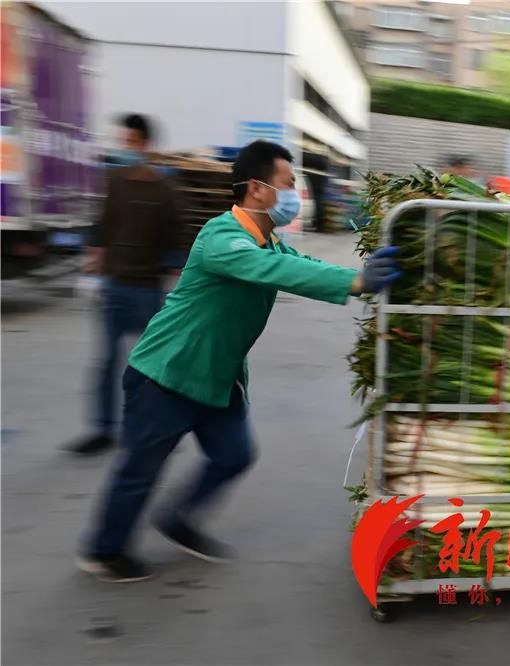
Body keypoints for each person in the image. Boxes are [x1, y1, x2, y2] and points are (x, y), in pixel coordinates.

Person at [77, 140, 401, 582]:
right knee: (141, 469)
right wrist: (357, 280)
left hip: (217, 377)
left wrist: (360, 275)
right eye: (289, 184)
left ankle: (177, 520)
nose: (294, 194)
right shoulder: (222, 238)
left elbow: (301, 267)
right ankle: (103, 551)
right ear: (257, 188)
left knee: (234, 454)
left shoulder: (266, 241)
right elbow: (274, 271)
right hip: (167, 373)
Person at [65, 114, 183, 456]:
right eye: (124, 142)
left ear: (145, 145)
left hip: (147, 291)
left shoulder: (165, 191)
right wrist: (93, 270)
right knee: (105, 361)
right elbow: (101, 229)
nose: (126, 148)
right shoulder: (115, 182)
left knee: (153, 366)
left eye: (131, 142)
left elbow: (175, 241)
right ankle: (102, 430)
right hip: (115, 287)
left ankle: (159, 428)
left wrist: (175, 283)